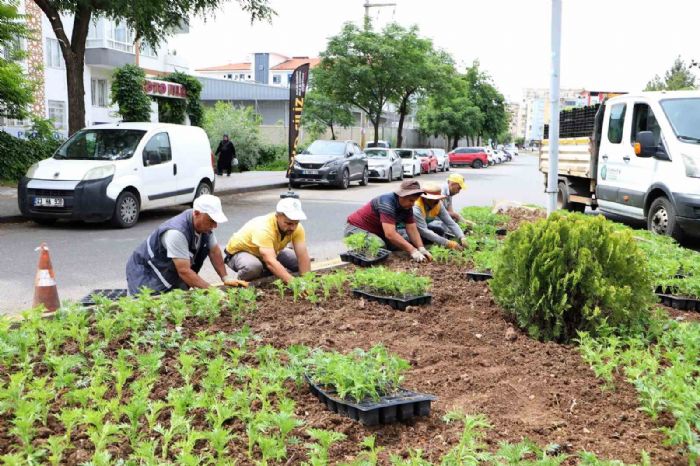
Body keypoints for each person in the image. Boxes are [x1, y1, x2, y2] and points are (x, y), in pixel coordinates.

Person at [126, 194, 234, 295]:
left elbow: (214, 251)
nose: (215, 226)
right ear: (196, 213)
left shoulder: (205, 228)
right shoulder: (176, 233)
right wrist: (213, 292)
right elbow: (184, 271)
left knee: (178, 301)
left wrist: (225, 278)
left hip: (168, 270)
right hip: (146, 273)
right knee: (149, 306)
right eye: (211, 221)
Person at [224, 198, 311, 283]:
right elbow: (270, 261)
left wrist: (307, 282)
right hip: (241, 252)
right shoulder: (264, 228)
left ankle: (269, 271)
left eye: (296, 223)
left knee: (297, 262)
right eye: (288, 223)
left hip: (269, 250)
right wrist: (292, 282)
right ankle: (240, 281)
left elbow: (302, 256)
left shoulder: (297, 228)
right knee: (253, 267)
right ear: (277, 216)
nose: (293, 227)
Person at [345, 179, 433, 262]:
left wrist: (421, 249)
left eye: (414, 201)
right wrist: (413, 251)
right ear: (402, 195)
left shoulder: (407, 207)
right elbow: (390, 234)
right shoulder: (386, 203)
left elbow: (412, 229)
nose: (413, 204)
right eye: (411, 200)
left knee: (404, 242)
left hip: (378, 232)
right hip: (356, 230)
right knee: (379, 246)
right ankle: (358, 255)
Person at [413, 182, 469, 250]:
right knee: (420, 237)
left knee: (440, 231)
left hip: (422, 227)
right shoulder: (416, 207)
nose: (436, 201)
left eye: (437, 199)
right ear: (425, 198)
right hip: (407, 229)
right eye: (432, 199)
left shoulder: (438, 204)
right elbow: (424, 231)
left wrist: (461, 236)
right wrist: (448, 243)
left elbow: (450, 223)